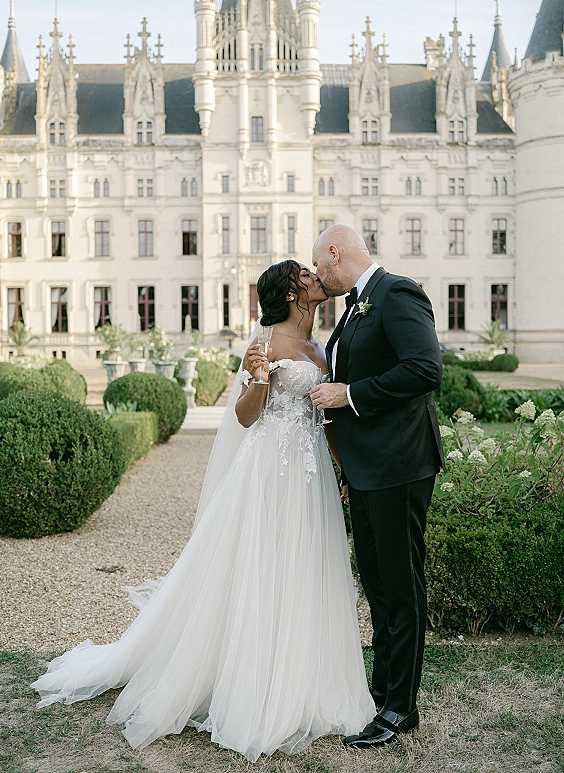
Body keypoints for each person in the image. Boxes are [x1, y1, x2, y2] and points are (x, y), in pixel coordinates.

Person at [31, 259, 374, 762]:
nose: (314, 275)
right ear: (291, 292)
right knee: (258, 565)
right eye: (304, 273)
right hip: (268, 471)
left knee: (305, 566)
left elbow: (325, 420)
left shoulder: (321, 347)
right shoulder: (266, 343)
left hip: (311, 474)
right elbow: (245, 416)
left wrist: (344, 472)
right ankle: (250, 678)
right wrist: (260, 378)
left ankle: (303, 674)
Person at [310, 224, 444, 750]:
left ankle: (401, 709)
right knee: (380, 588)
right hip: (366, 472)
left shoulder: (397, 292)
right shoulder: (353, 309)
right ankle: (383, 690)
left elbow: (425, 369)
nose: (317, 276)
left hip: (400, 466)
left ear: (335, 253)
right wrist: (348, 471)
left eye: (318, 266)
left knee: (402, 586)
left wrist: (349, 394)